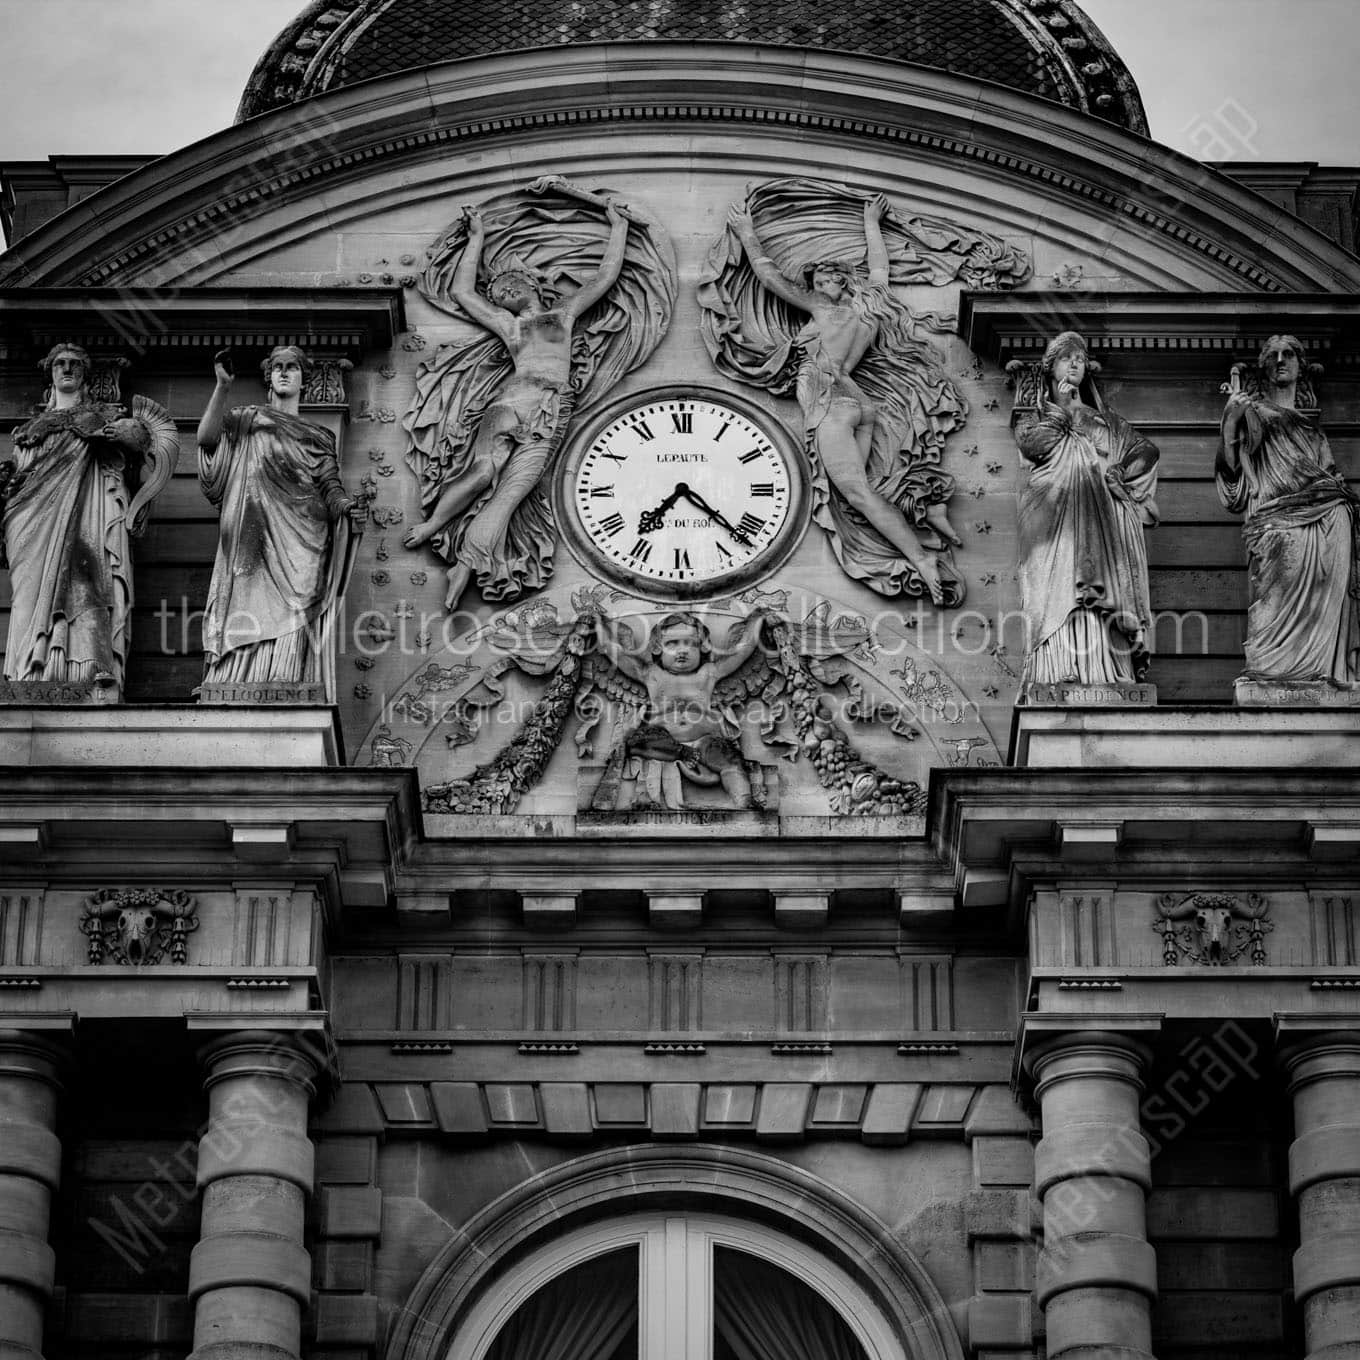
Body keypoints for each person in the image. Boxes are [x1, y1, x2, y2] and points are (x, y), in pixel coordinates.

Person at [725, 194, 961, 605]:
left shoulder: (823, 310)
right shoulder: (869, 307)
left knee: (857, 495)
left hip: (833, 406)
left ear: (831, 285)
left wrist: (748, 233)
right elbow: (880, 269)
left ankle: (920, 557)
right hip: (857, 404)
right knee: (860, 493)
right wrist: (872, 222)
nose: (816, 287)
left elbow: (770, 279)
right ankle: (922, 516)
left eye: (821, 281)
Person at [403, 199, 630, 610]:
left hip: (551, 408)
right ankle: (435, 523)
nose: (503, 293)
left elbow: (604, 276)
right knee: (482, 470)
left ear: (531, 284)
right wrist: (477, 239)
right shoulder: (512, 325)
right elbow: (461, 292)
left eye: (510, 286)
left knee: (512, 492)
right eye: (499, 292)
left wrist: (618, 227)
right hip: (512, 400)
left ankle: (467, 564)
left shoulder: (562, 313)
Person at [2, 343, 176, 694]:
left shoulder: (100, 418)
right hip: (31, 519)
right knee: (28, 594)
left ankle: (87, 665)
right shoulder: (30, 430)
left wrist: (129, 435)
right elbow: (18, 475)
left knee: (85, 583)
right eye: (60, 364)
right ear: (50, 373)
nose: (67, 369)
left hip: (86, 513)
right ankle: (27, 667)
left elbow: (140, 446)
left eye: (74, 365)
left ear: (84, 374)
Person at [196, 346, 356, 698]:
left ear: (303, 379)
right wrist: (222, 387)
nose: (284, 373)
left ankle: (285, 677)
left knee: (299, 602)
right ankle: (237, 677)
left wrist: (344, 506)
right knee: (246, 595)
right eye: (277, 368)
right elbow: (206, 439)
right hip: (251, 524)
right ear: (268, 378)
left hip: (304, 531)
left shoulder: (319, 436)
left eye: (292, 368)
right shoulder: (245, 418)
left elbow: (329, 485)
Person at [1016, 332, 1160, 686]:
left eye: (1080, 358)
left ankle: (1104, 671)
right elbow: (1032, 446)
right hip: (1051, 515)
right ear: (1051, 369)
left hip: (1097, 514)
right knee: (1058, 586)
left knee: (1096, 582)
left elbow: (1146, 450)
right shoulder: (1037, 413)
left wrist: (1119, 473)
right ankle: (1056, 666)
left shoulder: (1105, 420)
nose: (1075, 363)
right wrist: (1063, 411)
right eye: (1067, 358)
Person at [1216, 334, 1359, 685]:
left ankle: (1321, 669)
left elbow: (1330, 473)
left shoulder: (1311, 429)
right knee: (1274, 595)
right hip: (1276, 519)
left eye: (1289, 355)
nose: (1281, 360)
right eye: (1274, 356)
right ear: (1263, 367)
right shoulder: (1252, 412)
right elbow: (1232, 473)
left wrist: (1342, 499)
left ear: (1300, 366)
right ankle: (1271, 670)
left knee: (1329, 578)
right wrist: (1231, 422)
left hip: (1323, 517)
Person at [594, 610, 769, 810]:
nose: (682, 650)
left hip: (704, 739)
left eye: (691, 644)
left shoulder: (708, 673)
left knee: (729, 759)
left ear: (702, 648)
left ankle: (745, 801)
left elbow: (743, 651)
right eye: (673, 643)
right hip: (662, 737)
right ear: (658, 648)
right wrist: (599, 625)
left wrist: (758, 619)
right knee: (644, 737)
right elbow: (613, 650)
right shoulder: (652, 674)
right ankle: (679, 751)